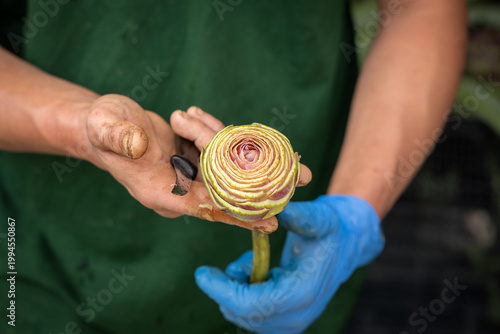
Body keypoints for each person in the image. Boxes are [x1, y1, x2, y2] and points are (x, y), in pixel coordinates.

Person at [0, 0, 466, 333]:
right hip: (45, 260)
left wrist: (355, 209)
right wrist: (83, 127)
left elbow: (425, 8)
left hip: (309, 221)